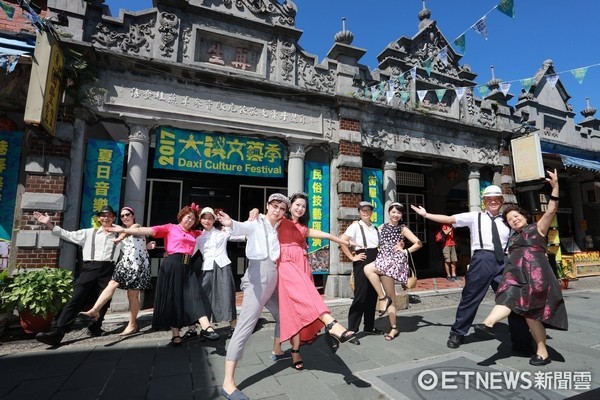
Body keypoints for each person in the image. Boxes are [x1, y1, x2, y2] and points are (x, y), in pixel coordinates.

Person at [411, 185, 533, 353]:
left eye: (496, 199)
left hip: (504, 261)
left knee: (511, 299)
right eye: (489, 199)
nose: (493, 201)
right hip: (482, 259)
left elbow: (524, 232)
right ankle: (457, 333)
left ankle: (522, 341)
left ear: (501, 201)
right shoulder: (475, 216)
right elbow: (449, 219)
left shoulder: (508, 221)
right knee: (470, 297)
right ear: (484, 202)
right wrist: (426, 215)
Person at [473, 169, 568, 366]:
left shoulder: (538, 228)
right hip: (515, 275)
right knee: (507, 297)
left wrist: (555, 186)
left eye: (516, 216)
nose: (514, 220)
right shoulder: (513, 238)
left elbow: (551, 209)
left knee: (531, 316)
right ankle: (488, 324)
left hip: (535, 275)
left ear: (524, 216)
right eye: (510, 220)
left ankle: (543, 352)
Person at [109, 204, 219, 346]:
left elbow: (211, 232)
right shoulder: (170, 228)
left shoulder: (195, 233)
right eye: (188, 217)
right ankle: (175, 334)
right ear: (181, 216)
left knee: (194, 296)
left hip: (187, 267)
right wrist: (124, 229)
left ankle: (206, 327)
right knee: (173, 299)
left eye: (193, 219)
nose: (190, 220)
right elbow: (148, 230)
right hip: (172, 265)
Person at [274, 192, 358, 370]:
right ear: (290, 206)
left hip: (302, 265)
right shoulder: (281, 220)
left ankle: (295, 350)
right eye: (297, 204)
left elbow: (326, 236)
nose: (300, 208)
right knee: (301, 302)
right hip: (285, 263)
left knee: (299, 308)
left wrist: (345, 241)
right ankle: (332, 325)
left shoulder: (303, 228)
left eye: (303, 206)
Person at [217, 193, 289, 400]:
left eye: (281, 208)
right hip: (259, 276)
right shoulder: (257, 222)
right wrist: (231, 222)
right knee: (245, 326)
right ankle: (228, 383)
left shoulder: (276, 228)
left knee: (284, 314)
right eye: (274, 206)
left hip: (273, 276)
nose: (277, 210)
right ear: (267, 205)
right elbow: (242, 227)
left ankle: (277, 350)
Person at [32, 205, 123, 346]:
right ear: (98, 218)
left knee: (103, 301)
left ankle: (95, 327)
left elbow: (133, 244)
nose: (106, 217)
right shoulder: (88, 233)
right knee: (76, 299)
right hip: (90, 268)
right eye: (103, 215)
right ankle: (57, 332)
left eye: (110, 215)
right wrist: (49, 224)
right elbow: (67, 234)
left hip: (109, 269)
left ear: (114, 218)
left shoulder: (120, 235)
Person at [79, 207, 155, 335]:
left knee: (132, 296)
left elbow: (129, 232)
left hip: (137, 264)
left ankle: (132, 324)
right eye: (123, 216)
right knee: (112, 284)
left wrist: (120, 238)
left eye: (128, 214)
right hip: (125, 263)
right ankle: (95, 309)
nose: (125, 217)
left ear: (133, 215)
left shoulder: (136, 226)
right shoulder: (118, 230)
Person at [364, 202, 422, 341]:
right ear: (389, 213)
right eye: (393, 212)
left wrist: (405, 250)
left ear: (402, 215)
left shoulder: (402, 228)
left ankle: (384, 300)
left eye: (399, 212)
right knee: (390, 295)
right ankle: (393, 325)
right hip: (382, 260)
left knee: (368, 269)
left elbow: (418, 243)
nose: (396, 215)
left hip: (394, 261)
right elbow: (370, 236)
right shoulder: (382, 227)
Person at [183, 207, 244, 339]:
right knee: (199, 295)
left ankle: (234, 326)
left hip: (223, 266)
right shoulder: (198, 237)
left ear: (214, 220)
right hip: (207, 268)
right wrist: (175, 258)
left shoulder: (223, 232)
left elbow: (241, 236)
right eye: (204, 218)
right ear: (200, 220)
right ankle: (194, 327)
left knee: (227, 295)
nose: (207, 221)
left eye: (210, 218)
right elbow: (189, 253)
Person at [339, 201, 382, 345]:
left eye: (368, 209)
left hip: (375, 260)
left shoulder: (375, 228)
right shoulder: (355, 226)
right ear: (359, 212)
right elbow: (342, 241)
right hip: (362, 260)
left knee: (372, 294)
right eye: (362, 210)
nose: (365, 212)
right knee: (360, 295)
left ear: (371, 212)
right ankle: (352, 329)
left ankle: (369, 326)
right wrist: (352, 257)